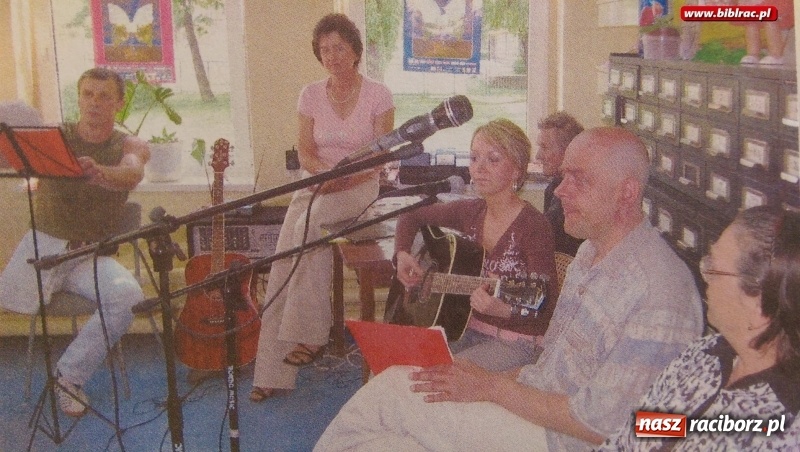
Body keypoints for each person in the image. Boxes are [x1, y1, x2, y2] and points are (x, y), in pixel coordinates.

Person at [314, 127, 705, 451]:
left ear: (627, 192)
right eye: (563, 176)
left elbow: (607, 425)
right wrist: (480, 380)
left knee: (391, 393)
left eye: (578, 179)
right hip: (537, 406)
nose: (560, 190)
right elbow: (549, 365)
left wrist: (491, 386)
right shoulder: (589, 253)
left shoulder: (659, 292)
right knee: (393, 438)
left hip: (564, 440)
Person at [249, 13, 395, 402]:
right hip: (317, 182)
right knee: (283, 257)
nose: (331, 55)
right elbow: (305, 152)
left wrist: (343, 178)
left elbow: (381, 155)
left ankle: (311, 335)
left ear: (355, 50)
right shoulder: (310, 93)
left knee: (306, 228)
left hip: (360, 187)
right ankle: (270, 373)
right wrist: (325, 175)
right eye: (324, 49)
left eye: (339, 47)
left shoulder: (378, 94)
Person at [0, 68, 150, 417]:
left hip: (89, 257)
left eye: (104, 96)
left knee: (128, 297)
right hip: (42, 247)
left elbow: (133, 171)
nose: (95, 103)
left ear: (119, 102)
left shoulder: (130, 144)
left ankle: (68, 377)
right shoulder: (55, 137)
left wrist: (101, 171)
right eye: (88, 94)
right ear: (79, 97)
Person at [598, 205, 800, 450]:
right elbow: (630, 440)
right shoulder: (705, 354)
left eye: (714, 268)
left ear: (759, 306)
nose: (705, 277)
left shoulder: (783, 428)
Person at [393, 118, 558, 372]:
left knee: (435, 376)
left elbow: (544, 305)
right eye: (474, 158)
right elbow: (411, 215)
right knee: (399, 361)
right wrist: (402, 254)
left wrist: (503, 309)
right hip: (464, 330)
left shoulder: (534, 227)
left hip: (516, 342)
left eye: (493, 159)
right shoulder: (470, 211)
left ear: (516, 169)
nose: (479, 168)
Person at [536, 111, 584, 256]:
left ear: (568, 151)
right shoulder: (554, 186)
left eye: (545, 147)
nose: (538, 156)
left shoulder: (578, 196)